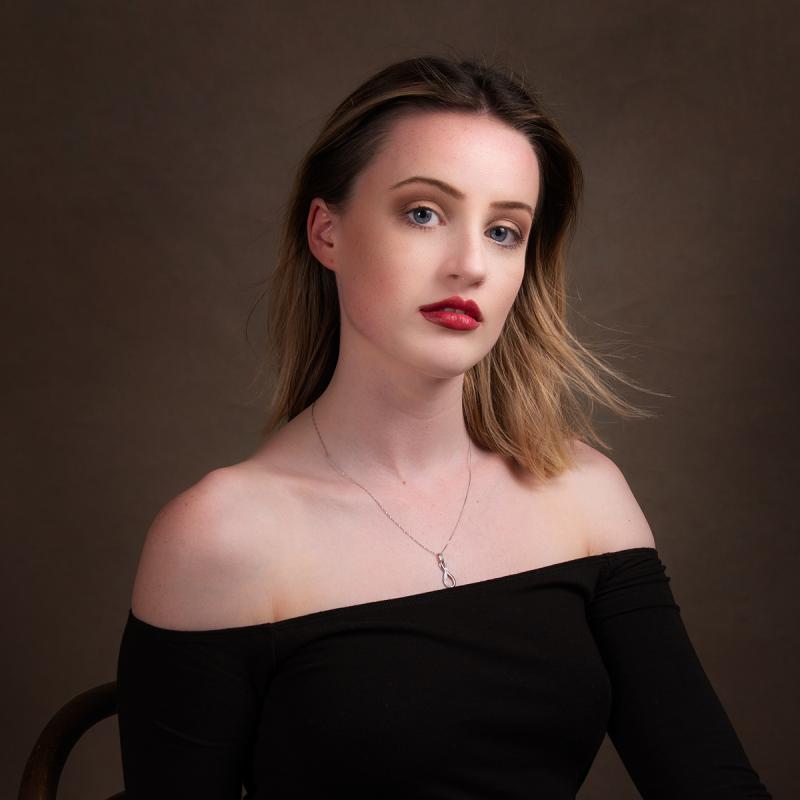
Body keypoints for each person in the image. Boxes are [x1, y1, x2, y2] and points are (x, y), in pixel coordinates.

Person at [116, 55, 772, 799]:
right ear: (326, 232)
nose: (469, 265)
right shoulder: (221, 536)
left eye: (504, 231)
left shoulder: (586, 497)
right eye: (423, 213)